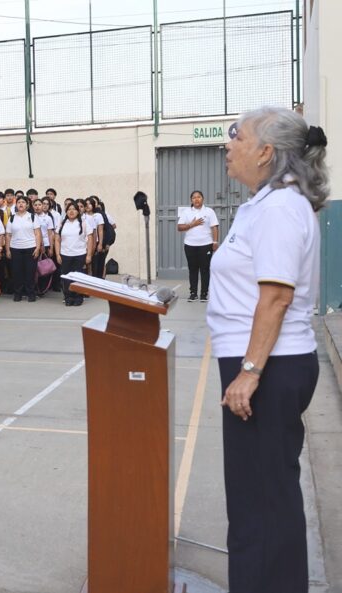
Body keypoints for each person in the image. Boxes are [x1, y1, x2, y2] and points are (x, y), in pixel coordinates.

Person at [209, 107, 328, 593]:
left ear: (265, 152)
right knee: (256, 497)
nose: (227, 145)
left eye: (236, 136)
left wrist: (250, 372)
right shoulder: (263, 204)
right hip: (261, 363)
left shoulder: (280, 207)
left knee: (263, 501)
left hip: (268, 367)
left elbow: (276, 296)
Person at [177, 190, 219, 302]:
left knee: (205, 270)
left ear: (203, 199)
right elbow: (179, 228)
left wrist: (215, 242)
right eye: (194, 197)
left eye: (199, 197)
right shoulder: (186, 212)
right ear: (191, 200)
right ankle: (193, 293)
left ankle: (204, 294)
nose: (196, 199)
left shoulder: (209, 211)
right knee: (193, 270)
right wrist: (192, 224)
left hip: (206, 245)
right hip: (190, 245)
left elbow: (214, 227)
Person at [54, 202, 94, 307]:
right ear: (66, 212)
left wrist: (89, 255)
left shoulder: (84, 223)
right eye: (69, 209)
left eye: (74, 209)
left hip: (79, 254)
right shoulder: (62, 223)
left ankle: (78, 297)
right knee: (66, 278)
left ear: (78, 211)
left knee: (78, 277)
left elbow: (90, 239)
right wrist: (58, 254)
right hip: (65, 254)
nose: (71, 211)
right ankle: (68, 297)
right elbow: (57, 240)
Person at [5, 195, 43, 302]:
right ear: (16, 205)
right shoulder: (12, 217)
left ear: (27, 205)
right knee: (17, 273)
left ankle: (31, 293)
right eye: (19, 202)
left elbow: (37, 234)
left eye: (23, 202)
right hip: (15, 248)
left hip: (30, 248)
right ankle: (18, 294)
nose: (21, 204)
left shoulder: (32, 217)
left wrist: (37, 248)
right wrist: (7, 250)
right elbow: (8, 235)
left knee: (30, 272)